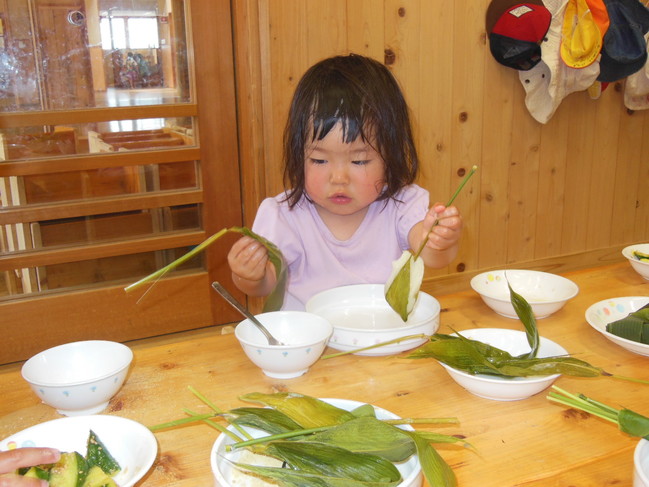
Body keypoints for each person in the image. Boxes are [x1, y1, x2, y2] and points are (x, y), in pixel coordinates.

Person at [228, 54, 463, 311]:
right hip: (309, 342)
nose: (338, 178)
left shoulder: (401, 204)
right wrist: (249, 275)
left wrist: (439, 240)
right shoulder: (285, 216)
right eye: (319, 160)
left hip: (379, 336)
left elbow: (432, 256)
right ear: (299, 155)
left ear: (390, 156)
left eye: (359, 161)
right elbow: (265, 285)